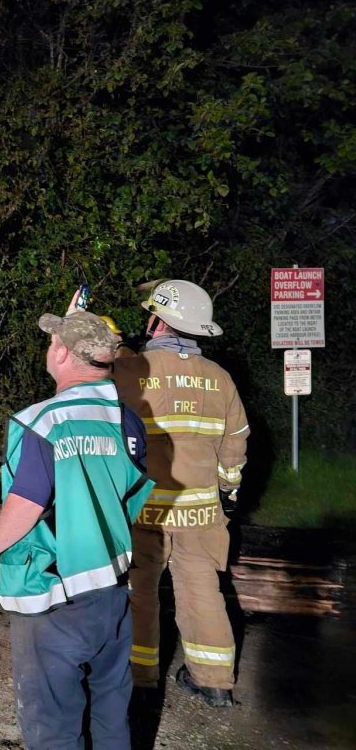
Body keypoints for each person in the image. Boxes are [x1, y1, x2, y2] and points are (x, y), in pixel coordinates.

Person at [0, 308, 152, 750]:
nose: (49, 349)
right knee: (110, 710)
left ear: (63, 353)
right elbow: (130, 492)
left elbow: (26, 502)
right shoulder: (126, 421)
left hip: (56, 593)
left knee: (52, 722)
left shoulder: (43, 421)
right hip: (112, 590)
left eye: (53, 343)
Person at [113, 279, 249, 707]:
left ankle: (140, 675)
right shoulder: (221, 379)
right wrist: (228, 489)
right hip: (202, 510)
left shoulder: (130, 371)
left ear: (157, 321)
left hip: (144, 507)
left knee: (140, 589)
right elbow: (236, 443)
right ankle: (213, 681)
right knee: (202, 589)